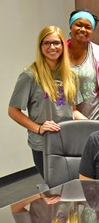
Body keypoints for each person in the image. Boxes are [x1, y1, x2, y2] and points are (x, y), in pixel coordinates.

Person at [8, 26, 85, 178]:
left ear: (63, 45)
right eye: (47, 43)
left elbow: (73, 111)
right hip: (44, 144)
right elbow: (13, 111)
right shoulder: (30, 76)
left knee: (70, 185)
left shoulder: (72, 76)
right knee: (54, 189)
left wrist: (95, 127)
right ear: (40, 46)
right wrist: (38, 128)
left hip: (68, 141)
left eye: (56, 43)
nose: (52, 47)